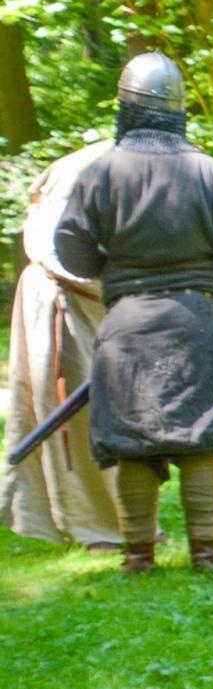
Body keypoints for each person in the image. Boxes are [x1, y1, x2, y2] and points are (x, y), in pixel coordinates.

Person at [55, 53, 213, 573]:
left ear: (126, 106)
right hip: (199, 319)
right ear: (177, 109)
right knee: (202, 436)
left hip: (129, 320)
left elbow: (69, 244)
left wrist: (109, 267)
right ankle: (207, 551)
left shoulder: (100, 171)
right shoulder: (209, 172)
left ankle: (138, 555)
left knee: (134, 440)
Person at [1, 138, 122, 549]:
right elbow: (60, 246)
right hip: (63, 296)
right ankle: (96, 525)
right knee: (77, 412)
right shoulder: (96, 166)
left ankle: (63, 515)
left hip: (79, 295)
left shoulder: (130, 161)